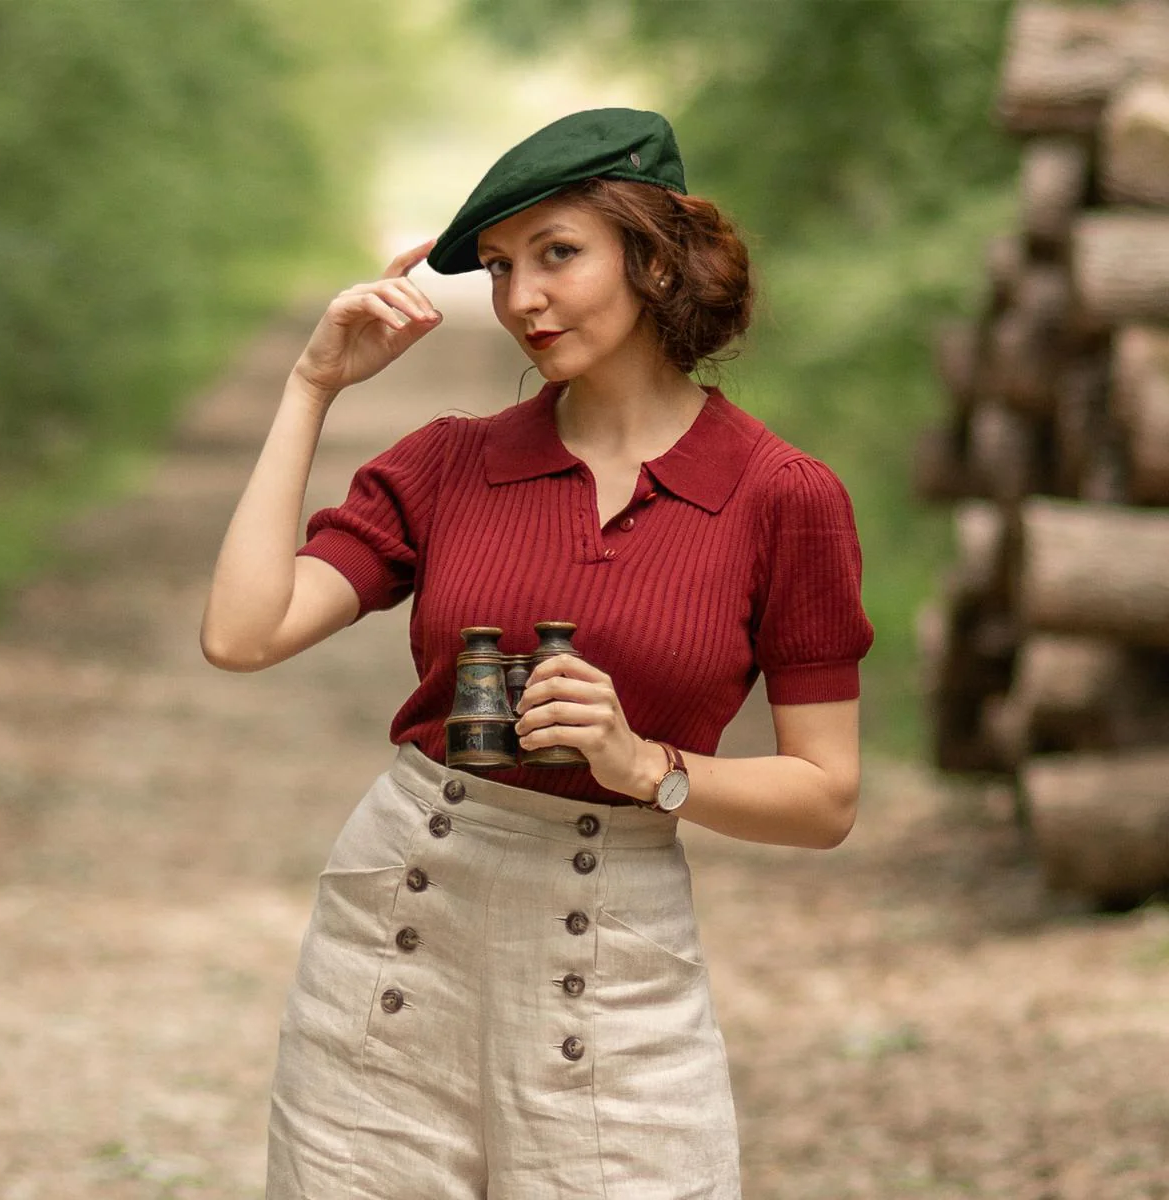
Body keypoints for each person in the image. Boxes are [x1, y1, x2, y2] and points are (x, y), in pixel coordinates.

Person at [201, 107, 873, 1200]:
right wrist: (311, 387)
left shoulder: (782, 498)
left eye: (558, 254)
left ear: (654, 257)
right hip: (396, 944)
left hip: (612, 947)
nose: (521, 299)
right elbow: (240, 634)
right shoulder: (451, 464)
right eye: (503, 268)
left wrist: (649, 765)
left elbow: (826, 796)